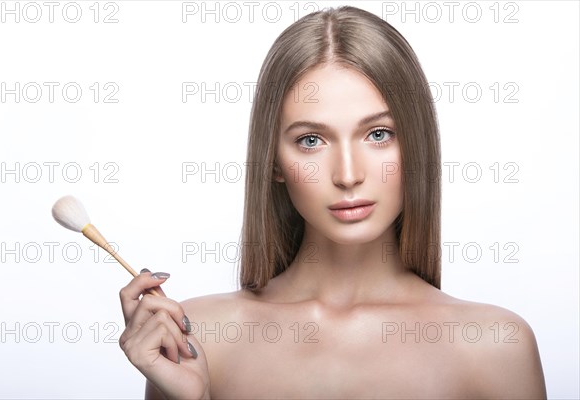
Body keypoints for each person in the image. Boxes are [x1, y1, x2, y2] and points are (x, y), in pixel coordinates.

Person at [118, 6, 547, 399]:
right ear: (273, 162)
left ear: (416, 144)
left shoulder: (496, 346)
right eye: (311, 140)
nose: (347, 174)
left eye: (378, 134)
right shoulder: (201, 339)